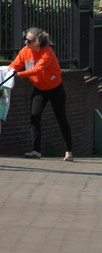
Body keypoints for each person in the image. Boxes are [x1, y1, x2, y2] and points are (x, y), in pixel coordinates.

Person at [8, 28, 73, 161]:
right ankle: (36, 150)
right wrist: (7, 72)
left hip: (55, 89)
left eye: (30, 41)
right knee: (34, 116)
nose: (26, 42)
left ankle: (69, 151)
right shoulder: (25, 51)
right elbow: (15, 65)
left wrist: (21, 75)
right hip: (39, 89)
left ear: (38, 42)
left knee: (61, 118)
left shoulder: (47, 52)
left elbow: (38, 69)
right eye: (25, 39)